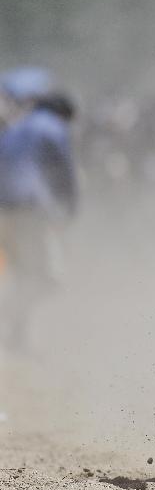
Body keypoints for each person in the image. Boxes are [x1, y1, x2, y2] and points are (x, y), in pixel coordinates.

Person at [0, 69, 77, 351]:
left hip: (5, 210)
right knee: (47, 278)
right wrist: (69, 209)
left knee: (21, 274)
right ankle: (8, 322)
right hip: (29, 210)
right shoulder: (53, 127)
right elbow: (65, 174)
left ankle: (16, 339)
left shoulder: (16, 126)